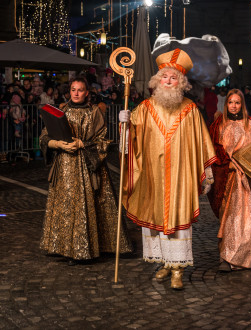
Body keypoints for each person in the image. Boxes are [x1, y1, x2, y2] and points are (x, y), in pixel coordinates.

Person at [118, 48, 216, 289]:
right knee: (156, 219)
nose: (169, 81)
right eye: (165, 77)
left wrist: (207, 174)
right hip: (152, 175)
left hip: (180, 177)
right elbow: (130, 143)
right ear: (157, 80)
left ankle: (178, 269)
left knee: (178, 221)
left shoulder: (191, 110)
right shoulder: (145, 108)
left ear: (181, 83)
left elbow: (202, 144)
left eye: (174, 78)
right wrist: (125, 125)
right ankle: (164, 262)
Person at [39, 77, 132, 265]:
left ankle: (85, 248)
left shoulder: (94, 112)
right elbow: (44, 135)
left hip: (87, 167)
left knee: (86, 205)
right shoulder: (61, 111)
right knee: (65, 207)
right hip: (64, 166)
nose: (76, 93)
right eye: (73, 89)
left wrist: (84, 144)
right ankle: (63, 247)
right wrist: (55, 143)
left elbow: (104, 141)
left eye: (80, 90)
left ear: (86, 92)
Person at [207, 89, 251, 271]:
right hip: (226, 179)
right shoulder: (218, 125)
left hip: (245, 180)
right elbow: (212, 152)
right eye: (231, 102)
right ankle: (237, 251)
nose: (234, 106)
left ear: (242, 105)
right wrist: (227, 165)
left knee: (243, 217)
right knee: (228, 217)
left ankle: (234, 257)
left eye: (237, 102)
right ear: (226, 104)